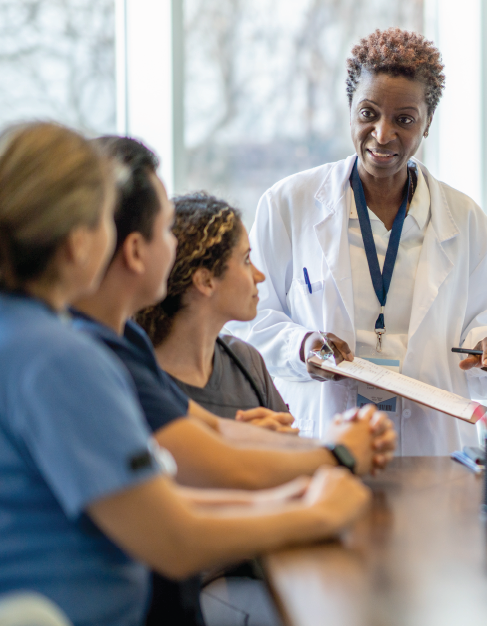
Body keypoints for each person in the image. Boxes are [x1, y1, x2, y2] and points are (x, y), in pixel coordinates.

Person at [0, 121, 370, 626]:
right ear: (77, 243)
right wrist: (318, 508)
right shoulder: (59, 356)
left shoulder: (26, 335)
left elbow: (159, 496)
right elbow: (173, 538)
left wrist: (290, 494)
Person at [229, 27, 487, 454]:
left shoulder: (467, 222)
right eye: (368, 113)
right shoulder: (288, 204)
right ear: (350, 109)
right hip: (322, 437)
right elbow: (245, 322)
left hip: (432, 449)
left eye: (405, 119)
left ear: (427, 124)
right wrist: (302, 347)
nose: (383, 134)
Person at [74, 136, 396, 491]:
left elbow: (215, 436)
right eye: (165, 230)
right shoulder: (87, 359)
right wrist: (339, 455)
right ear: (135, 250)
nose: (173, 247)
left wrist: (271, 441)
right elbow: (190, 500)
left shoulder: (128, 345)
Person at [135, 192, 290, 424]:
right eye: (246, 260)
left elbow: (294, 450)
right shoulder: (138, 379)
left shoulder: (246, 362)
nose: (259, 276)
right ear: (206, 281)